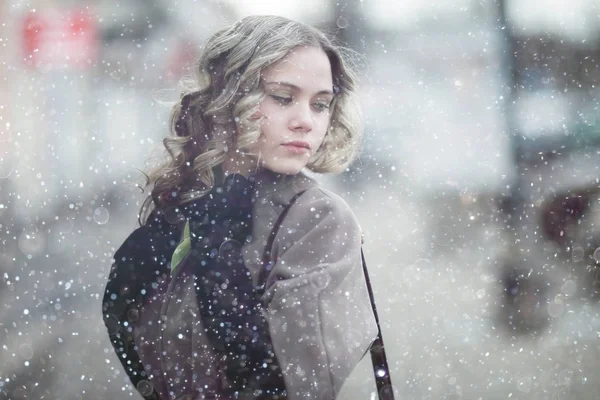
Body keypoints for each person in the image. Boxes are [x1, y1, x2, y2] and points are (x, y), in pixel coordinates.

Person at [102, 15, 378, 400]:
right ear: (230, 97)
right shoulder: (188, 207)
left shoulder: (319, 219)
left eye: (321, 105)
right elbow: (141, 347)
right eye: (283, 97)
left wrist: (222, 266)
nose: (305, 121)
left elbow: (291, 384)